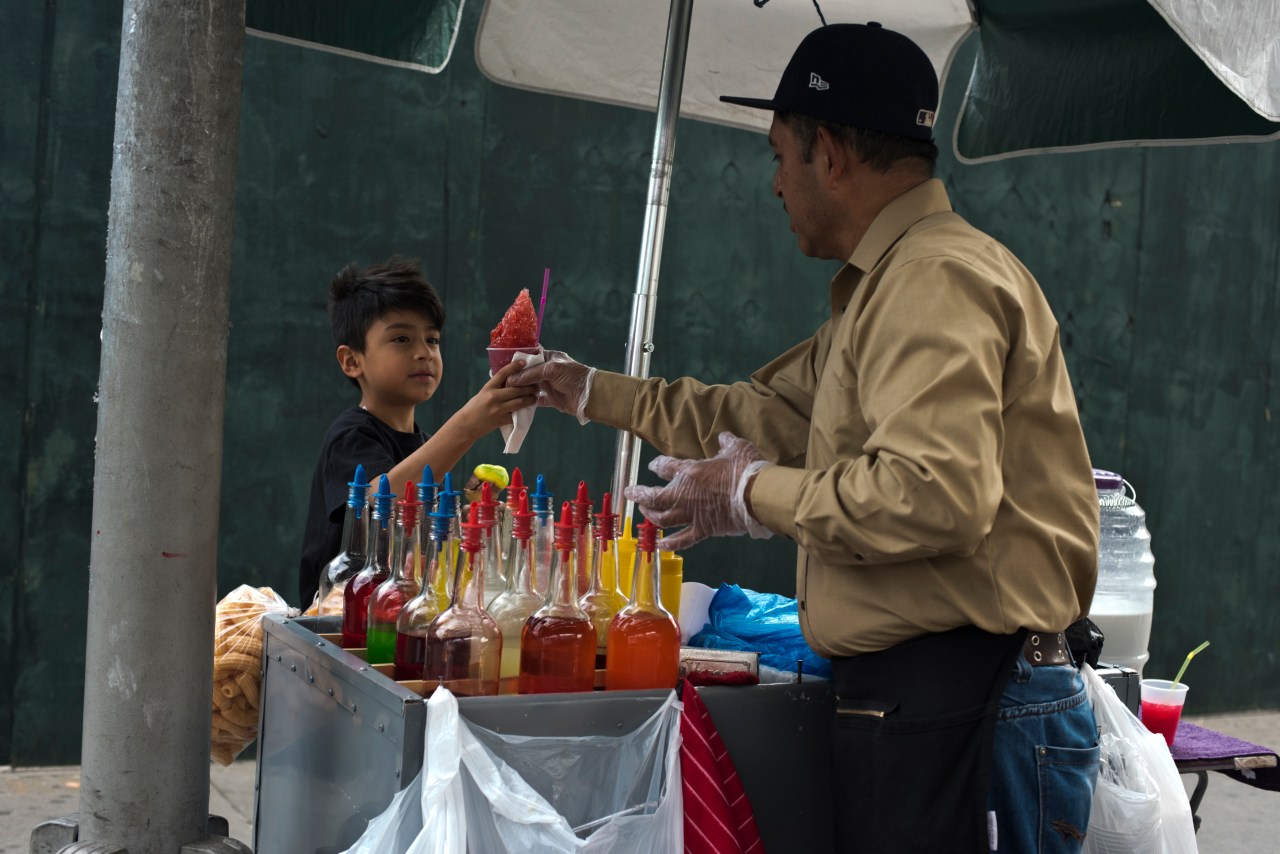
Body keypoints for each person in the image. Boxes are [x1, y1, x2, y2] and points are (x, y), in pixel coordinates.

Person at [510, 23, 1100, 854]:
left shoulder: (935, 279)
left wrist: (750, 493)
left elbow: (932, 495)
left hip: (977, 697)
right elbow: (757, 416)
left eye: (779, 155)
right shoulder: (885, 286)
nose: (775, 184)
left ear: (831, 152)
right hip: (929, 695)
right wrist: (587, 391)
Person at [297, 257, 536, 606]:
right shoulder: (350, 437)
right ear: (352, 361)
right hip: (336, 626)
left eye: (433, 340)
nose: (424, 352)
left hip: (397, 614)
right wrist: (468, 425)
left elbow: (416, 536)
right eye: (402, 339)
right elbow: (380, 504)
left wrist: (466, 517)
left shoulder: (424, 445)